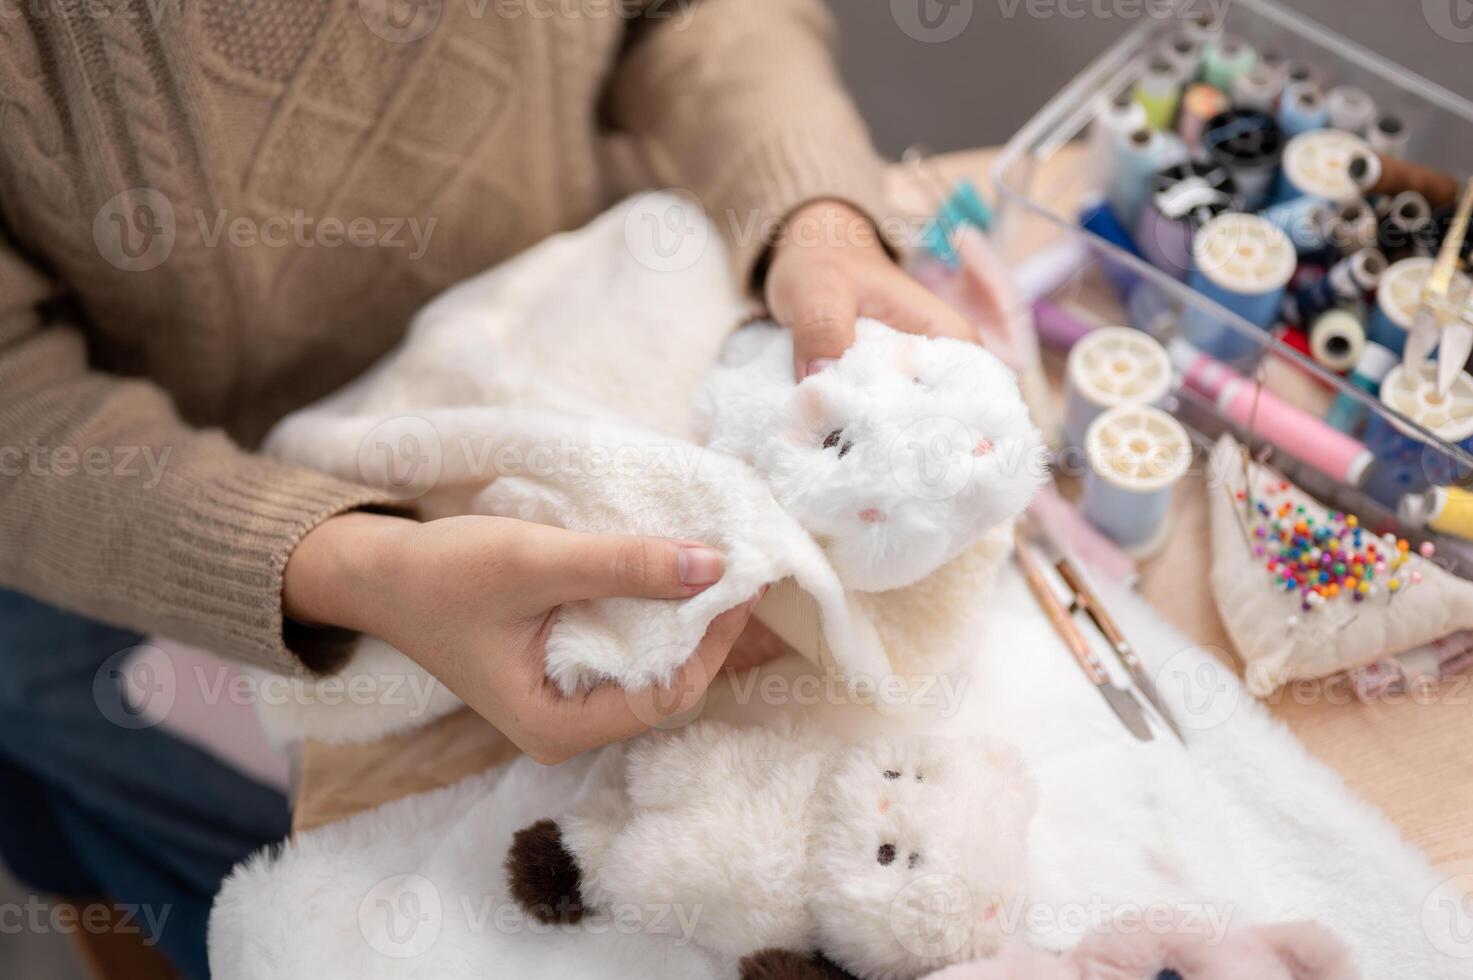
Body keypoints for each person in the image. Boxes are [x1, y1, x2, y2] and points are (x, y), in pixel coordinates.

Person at [0, 2, 974, 973]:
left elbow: (693, 16)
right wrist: (337, 564)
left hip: (595, 291)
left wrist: (814, 216)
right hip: (166, 491)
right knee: (226, 848)